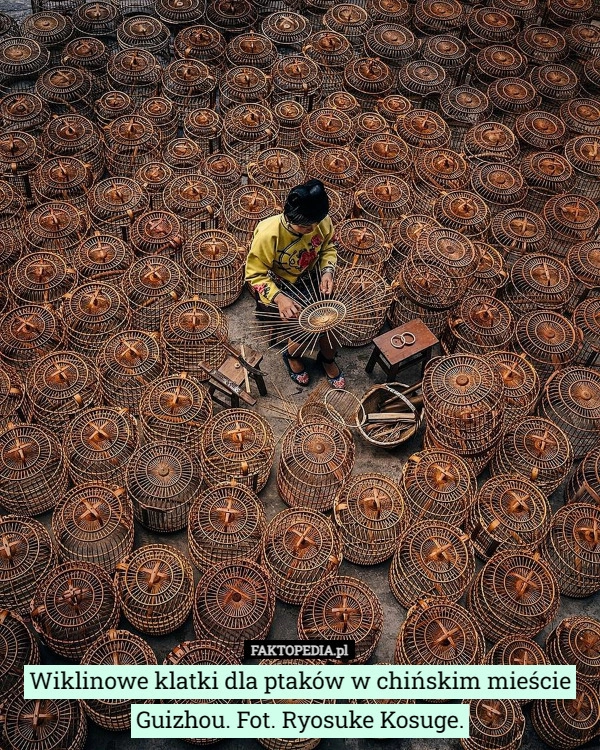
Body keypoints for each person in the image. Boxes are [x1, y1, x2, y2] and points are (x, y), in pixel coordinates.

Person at [245, 178, 345, 388]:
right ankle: (292, 357)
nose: (312, 230)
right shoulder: (268, 234)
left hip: (313, 280)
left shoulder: (321, 221)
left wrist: (327, 272)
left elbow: (328, 248)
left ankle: (326, 359)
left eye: (315, 224)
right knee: (303, 328)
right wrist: (280, 299)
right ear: (290, 218)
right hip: (279, 287)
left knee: (332, 322)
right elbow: (255, 275)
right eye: (304, 226)